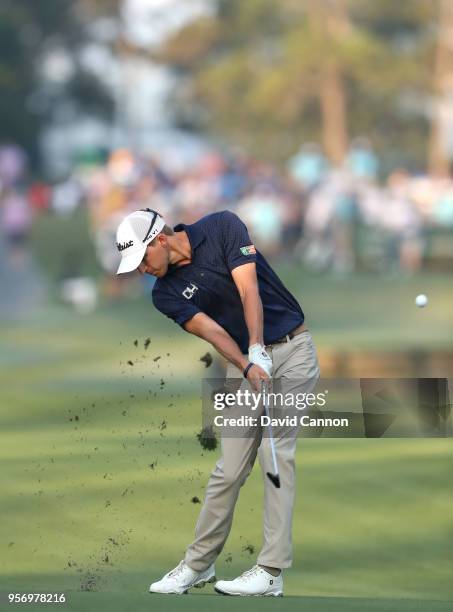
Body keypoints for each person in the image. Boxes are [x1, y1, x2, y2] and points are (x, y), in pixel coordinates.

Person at [115, 208, 320, 596]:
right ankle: (198, 564)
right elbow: (212, 332)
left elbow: (249, 288)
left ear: (160, 239)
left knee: (275, 455)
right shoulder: (164, 294)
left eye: (142, 258)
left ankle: (271, 571)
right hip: (242, 365)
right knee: (228, 470)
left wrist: (258, 348)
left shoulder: (223, 226)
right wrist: (246, 364)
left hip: (292, 350)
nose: (141, 269)